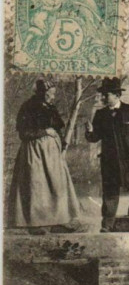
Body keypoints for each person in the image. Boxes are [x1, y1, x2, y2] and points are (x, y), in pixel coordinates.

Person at [6, 79, 81, 233]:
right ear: (42, 93)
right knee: (37, 186)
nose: (53, 97)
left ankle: (57, 221)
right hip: (35, 152)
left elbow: (57, 129)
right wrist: (45, 132)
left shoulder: (51, 108)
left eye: (53, 94)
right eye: (50, 94)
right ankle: (34, 224)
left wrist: (61, 144)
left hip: (52, 154)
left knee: (57, 185)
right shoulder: (28, 107)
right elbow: (24, 133)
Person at [85, 77, 129, 232]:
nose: (103, 98)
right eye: (103, 95)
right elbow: (94, 138)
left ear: (116, 95)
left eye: (106, 95)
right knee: (110, 192)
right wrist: (89, 131)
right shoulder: (101, 114)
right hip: (111, 160)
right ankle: (107, 224)